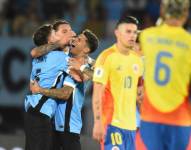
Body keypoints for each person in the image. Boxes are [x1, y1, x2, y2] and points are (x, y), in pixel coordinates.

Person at [30, 29, 99, 150]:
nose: (74, 39)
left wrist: (40, 90)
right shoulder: (66, 59)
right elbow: (35, 52)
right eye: (76, 37)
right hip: (54, 123)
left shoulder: (83, 67)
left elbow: (65, 93)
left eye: (79, 39)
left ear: (86, 49)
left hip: (68, 125)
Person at [136, 0, 191, 150]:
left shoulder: (146, 36)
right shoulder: (189, 42)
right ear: (186, 14)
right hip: (179, 117)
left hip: (150, 116)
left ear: (162, 10)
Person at [92, 16, 144, 150]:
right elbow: (97, 93)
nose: (132, 36)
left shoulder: (137, 60)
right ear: (117, 33)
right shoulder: (106, 57)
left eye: (134, 32)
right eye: (128, 31)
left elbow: (139, 92)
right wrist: (98, 122)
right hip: (112, 124)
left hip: (131, 127)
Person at [24, 22, 76, 150]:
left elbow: (34, 52)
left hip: (32, 110)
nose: (60, 37)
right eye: (55, 34)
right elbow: (81, 70)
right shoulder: (59, 58)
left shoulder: (38, 58)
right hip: (41, 113)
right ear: (50, 40)